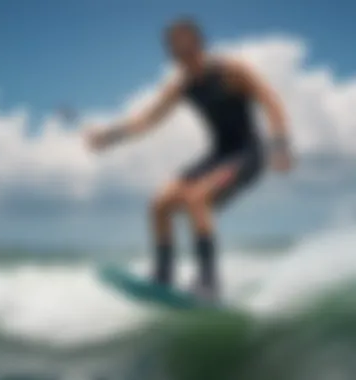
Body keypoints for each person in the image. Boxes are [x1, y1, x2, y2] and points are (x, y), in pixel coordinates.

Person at [85, 18, 292, 302]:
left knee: (197, 198)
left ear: (198, 45)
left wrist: (280, 144)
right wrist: (109, 137)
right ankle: (163, 276)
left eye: (184, 48)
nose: (179, 56)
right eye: (174, 51)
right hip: (218, 155)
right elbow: (147, 120)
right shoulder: (183, 85)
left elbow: (270, 100)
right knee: (159, 204)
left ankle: (208, 283)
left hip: (247, 154)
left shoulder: (231, 71)